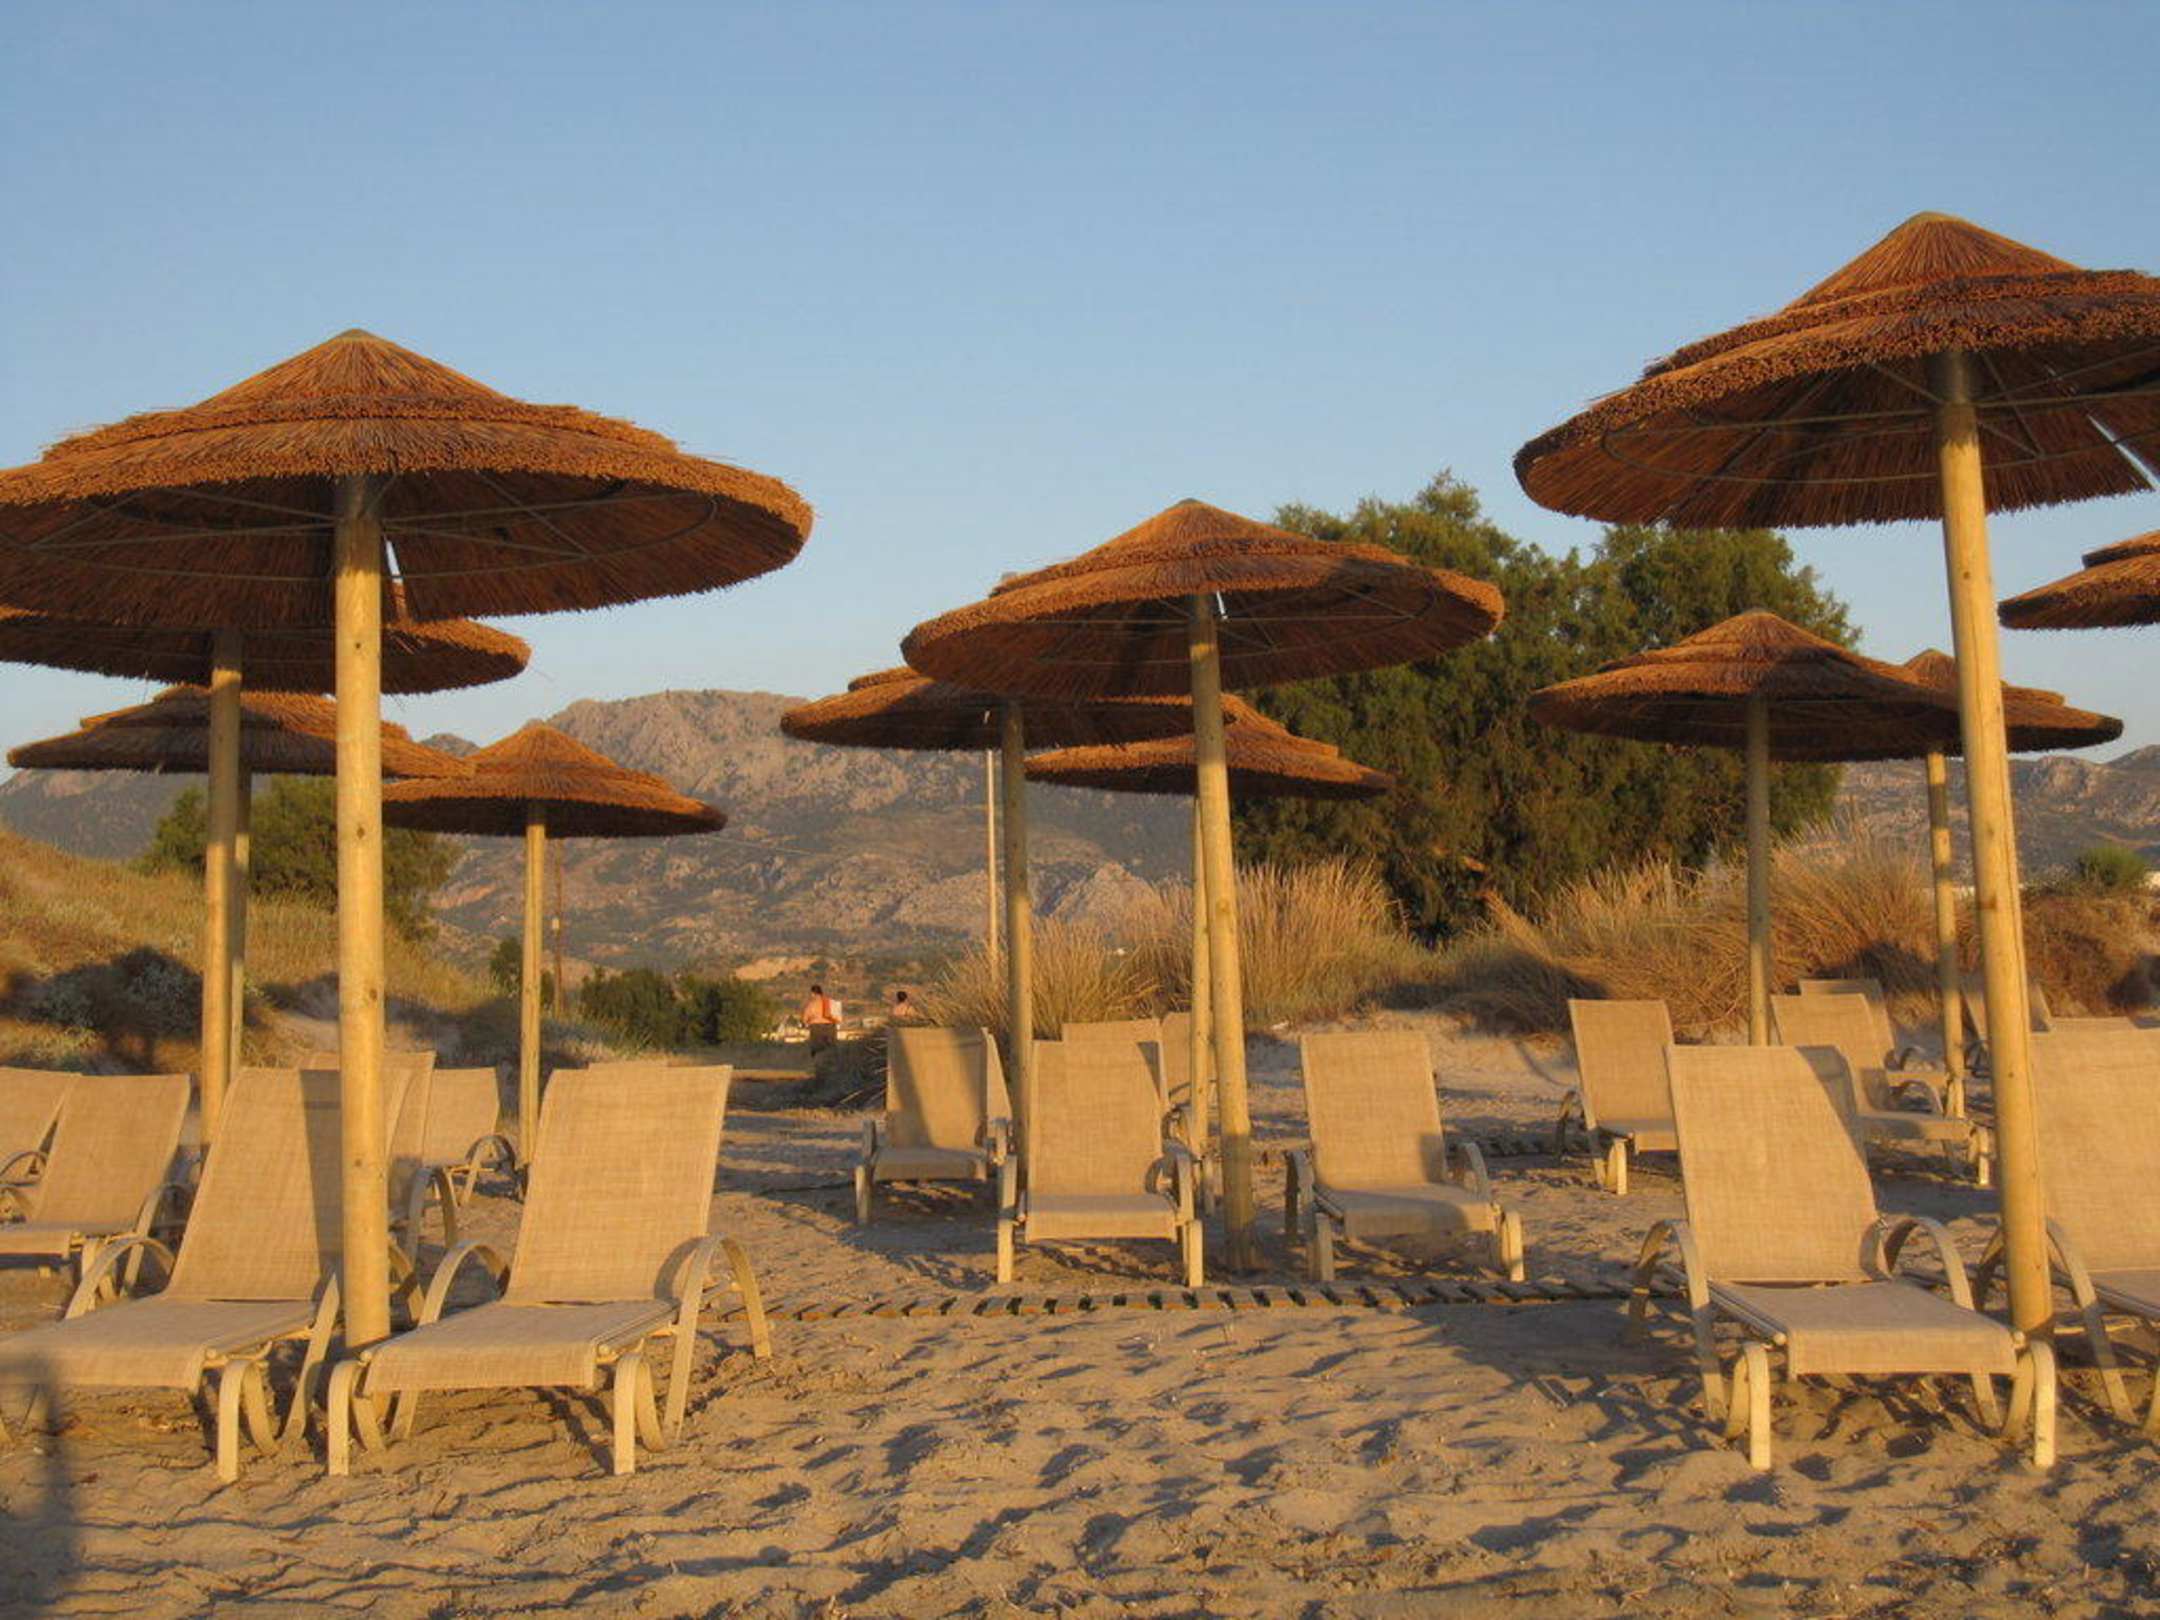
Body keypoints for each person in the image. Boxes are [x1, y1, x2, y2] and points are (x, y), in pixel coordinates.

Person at [802, 983, 839, 1053]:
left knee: (816, 1049)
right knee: (831, 1048)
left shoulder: (811, 1004)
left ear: (813, 993)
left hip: (816, 1028)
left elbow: (805, 1019)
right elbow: (837, 1016)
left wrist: (805, 1023)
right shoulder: (830, 1002)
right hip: (830, 1028)